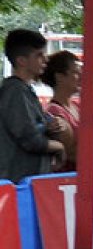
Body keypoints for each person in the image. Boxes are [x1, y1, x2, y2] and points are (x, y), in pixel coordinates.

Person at [0, 30, 65, 183]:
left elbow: (30, 127)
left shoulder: (24, 90)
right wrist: (58, 146)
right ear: (22, 61)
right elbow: (30, 139)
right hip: (18, 183)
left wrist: (50, 126)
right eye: (39, 55)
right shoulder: (15, 91)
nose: (45, 59)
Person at [41, 49, 82, 172]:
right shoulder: (54, 111)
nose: (81, 77)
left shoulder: (78, 105)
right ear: (59, 77)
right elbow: (71, 153)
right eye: (75, 72)